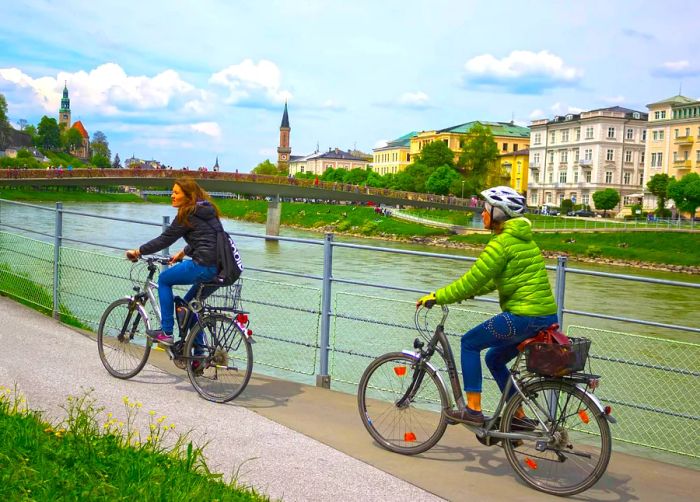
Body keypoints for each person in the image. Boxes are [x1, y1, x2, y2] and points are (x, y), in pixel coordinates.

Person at [416, 186, 558, 427]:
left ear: (498, 213)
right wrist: (466, 295)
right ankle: (517, 417)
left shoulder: (501, 244)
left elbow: (471, 281)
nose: (481, 213)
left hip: (522, 317)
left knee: (469, 343)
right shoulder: (525, 241)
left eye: (485, 209)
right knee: (494, 359)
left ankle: (473, 409)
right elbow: (490, 281)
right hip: (544, 317)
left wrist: (437, 296)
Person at [126, 177, 220, 345]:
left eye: (176, 192)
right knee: (190, 308)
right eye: (172, 192)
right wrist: (183, 252)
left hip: (203, 265)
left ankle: (166, 332)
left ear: (188, 196)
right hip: (219, 268)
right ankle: (198, 358)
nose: (172, 195)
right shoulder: (206, 211)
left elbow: (164, 240)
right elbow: (207, 238)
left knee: (164, 279)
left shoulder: (186, 213)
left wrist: (138, 252)